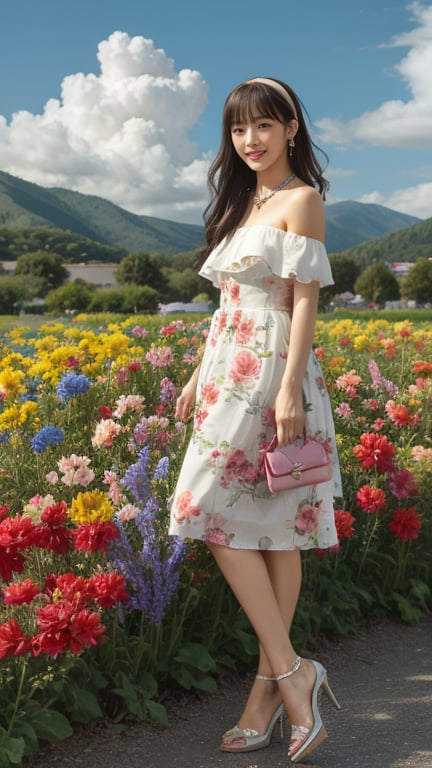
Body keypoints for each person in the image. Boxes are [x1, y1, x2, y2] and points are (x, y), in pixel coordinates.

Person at [169, 76, 342, 763]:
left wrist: (292, 388)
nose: (251, 140)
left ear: (292, 128)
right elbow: (227, 307)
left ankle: (283, 680)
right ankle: (282, 681)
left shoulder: (302, 199)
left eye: (265, 126)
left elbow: (304, 300)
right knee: (261, 530)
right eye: (240, 130)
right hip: (226, 369)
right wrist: (193, 376)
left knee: (212, 512)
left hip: (272, 372)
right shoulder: (246, 202)